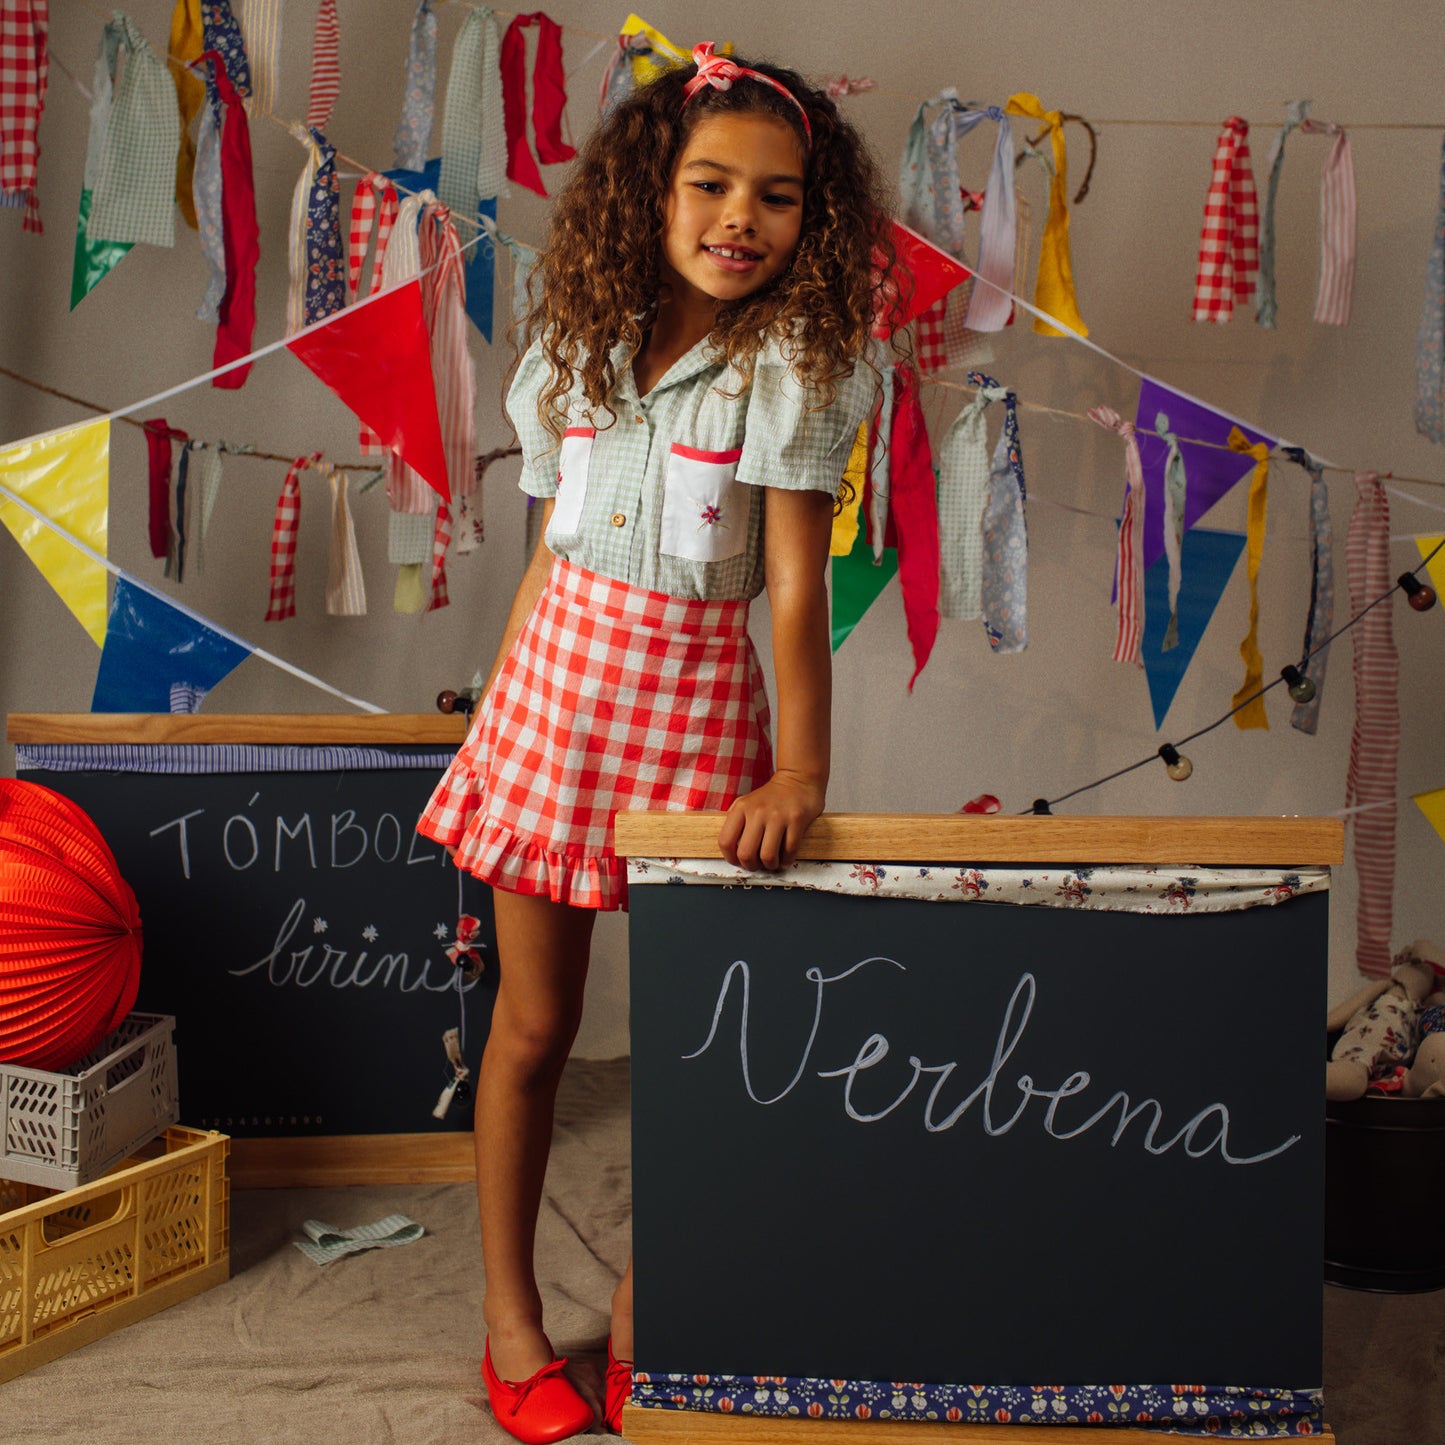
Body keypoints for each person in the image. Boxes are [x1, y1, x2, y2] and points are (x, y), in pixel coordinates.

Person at [416, 41, 896, 1445]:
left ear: (816, 217)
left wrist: (798, 772)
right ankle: (511, 1316)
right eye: (710, 184)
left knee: (701, 1048)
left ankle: (649, 1307)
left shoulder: (800, 364)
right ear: (651, 185)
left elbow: (797, 589)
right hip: (552, 703)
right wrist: (501, 716)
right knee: (531, 1024)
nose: (740, 218)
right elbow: (547, 551)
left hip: (694, 714)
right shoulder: (577, 335)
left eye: (779, 196)